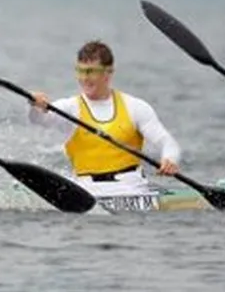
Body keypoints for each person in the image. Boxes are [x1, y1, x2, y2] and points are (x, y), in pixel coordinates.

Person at [29, 40, 181, 184]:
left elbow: (167, 142)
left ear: (108, 72)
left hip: (132, 187)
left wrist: (169, 159)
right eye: (80, 71)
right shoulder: (70, 107)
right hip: (87, 190)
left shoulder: (135, 107)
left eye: (91, 72)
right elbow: (39, 120)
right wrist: (35, 105)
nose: (84, 78)